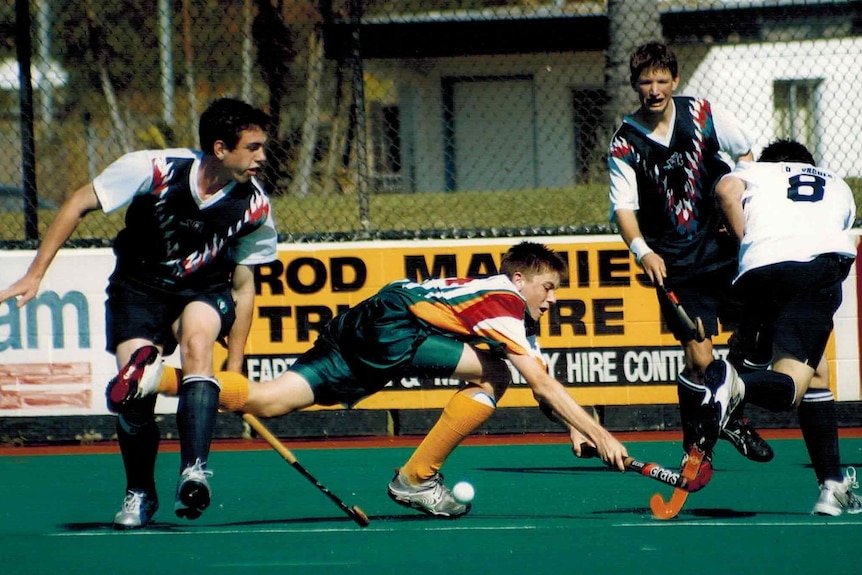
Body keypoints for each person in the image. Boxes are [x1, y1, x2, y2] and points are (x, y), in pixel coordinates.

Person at [151, 241, 630, 518]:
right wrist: (601, 433)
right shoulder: (505, 303)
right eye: (547, 288)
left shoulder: (505, 310)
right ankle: (416, 478)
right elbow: (542, 385)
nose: (551, 300)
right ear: (521, 278)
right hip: (395, 326)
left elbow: (543, 381)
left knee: (269, 401)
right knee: (496, 373)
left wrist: (574, 426)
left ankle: (157, 380)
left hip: (367, 320)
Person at [0, 97, 278, 529]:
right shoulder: (153, 168)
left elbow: (244, 285)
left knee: (198, 341)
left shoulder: (255, 206)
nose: (262, 157)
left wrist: (236, 367)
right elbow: (77, 202)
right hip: (139, 288)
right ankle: (140, 492)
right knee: (135, 390)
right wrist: (35, 274)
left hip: (203, 289)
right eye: (254, 147)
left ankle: (195, 471)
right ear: (221, 148)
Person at [607, 41, 773, 465]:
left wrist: (736, 198)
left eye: (662, 80)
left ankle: (727, 413)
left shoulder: (702, 112)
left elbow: (746, 152)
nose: (654, 89)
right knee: (699, 355)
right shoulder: (625, 142)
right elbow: (623, 209)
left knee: (759, 328)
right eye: (646, 81)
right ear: (635, 85)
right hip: (674, 261)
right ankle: (700, 444)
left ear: (675, 81)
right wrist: (643, 250)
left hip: (722, 248)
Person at [703, 139, 860, 515]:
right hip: (815, 270)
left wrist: (746, 243)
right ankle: (734, 386)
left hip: (758, 270)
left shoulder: (755, 171)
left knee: (816, 374)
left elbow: (726, 189)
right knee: (791, 386)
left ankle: (833, 485)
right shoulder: (838, 183)